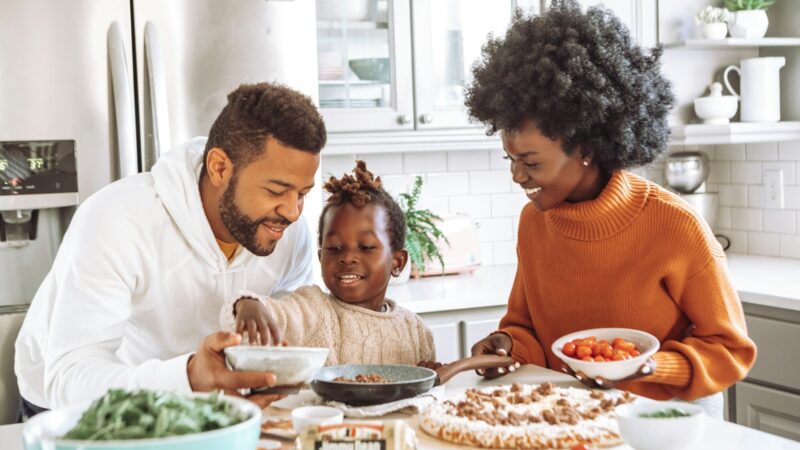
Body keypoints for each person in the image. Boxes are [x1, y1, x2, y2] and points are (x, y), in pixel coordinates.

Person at [467, 0, 756, 417]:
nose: (516, 176)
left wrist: (648, 366)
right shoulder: (535, 222)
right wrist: (507, 344)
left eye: (530, 162)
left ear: (585, 149)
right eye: (509, 159)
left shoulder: (675, 226)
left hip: (664, 419)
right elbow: (526, 328)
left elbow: (729, 349)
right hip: (569, 413)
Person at [14, 82, 327, 417]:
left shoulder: (287, 234)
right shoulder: (117, 220)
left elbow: (281, 333)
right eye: (276, 190)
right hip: (79, 412)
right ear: (219, 167)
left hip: (202, 406)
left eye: (302, 194)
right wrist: (189, 376)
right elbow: (68, 380)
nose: (293, 212)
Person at [220, 161, 436, 366]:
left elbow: (427, 394)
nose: (348, 257)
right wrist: (246, 304)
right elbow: (271, 314)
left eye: (366, 247)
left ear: (397, 262)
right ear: (321, 255)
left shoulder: (416, 331)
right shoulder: (311, 309)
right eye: (334, 248)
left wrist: (432, 379)